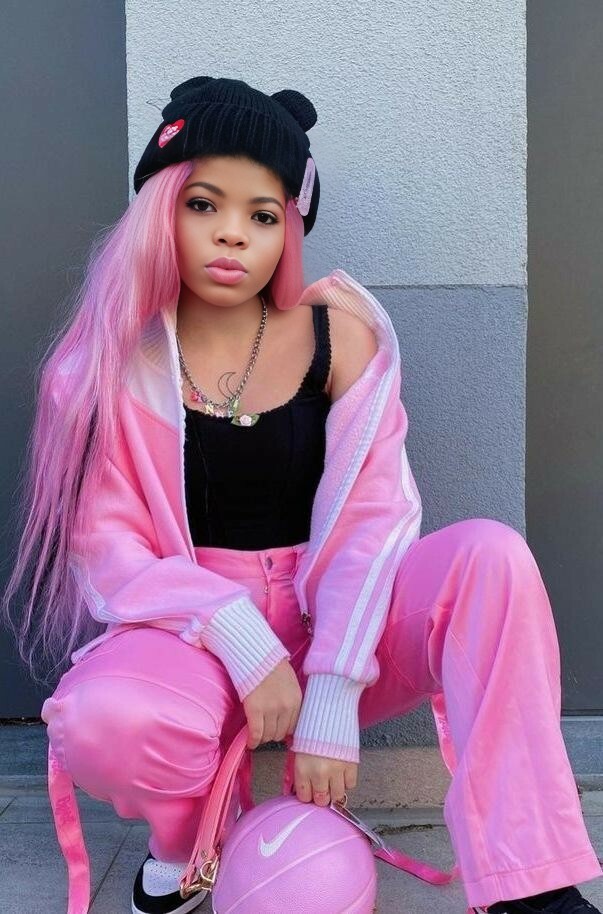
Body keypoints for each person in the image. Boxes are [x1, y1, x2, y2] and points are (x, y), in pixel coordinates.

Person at [3, 76, 602, 914]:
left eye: (262, 215)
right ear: (159, 211)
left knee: (489, 558)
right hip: (191, 632)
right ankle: (186, 848)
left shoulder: (341, 336)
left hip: (340, 615)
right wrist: (238, 635)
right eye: (203, 205)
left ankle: (526, 885)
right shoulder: (102, 366)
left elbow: (371, 522)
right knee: (103, 713)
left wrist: (330, 694)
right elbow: (108, 553)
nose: (232, 234)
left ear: (289, 229)